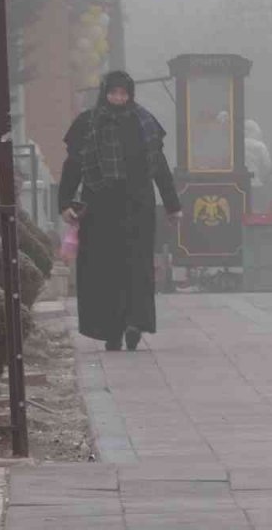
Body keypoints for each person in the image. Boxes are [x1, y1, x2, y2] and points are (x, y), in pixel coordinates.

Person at [58, 71, 181, 351]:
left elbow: (159, 167)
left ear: (130, 94)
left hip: (137, 206)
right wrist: (64, 202)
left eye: (123, 93)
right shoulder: (87, 124)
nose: (119, 98)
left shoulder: (144, 122)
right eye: (113, 93)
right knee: (102, 269)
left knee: (136, 267)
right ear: (105, 93)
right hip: (100, 207)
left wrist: (172, 205)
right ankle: (109, 329)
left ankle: (134, 323)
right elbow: (73, 165)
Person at [244, 119, 272, 211]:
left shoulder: (235, 144)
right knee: (256, 211)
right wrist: (262, 178)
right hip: (256, 185)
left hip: (239, 185)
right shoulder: (260, 146)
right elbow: (268, 166)